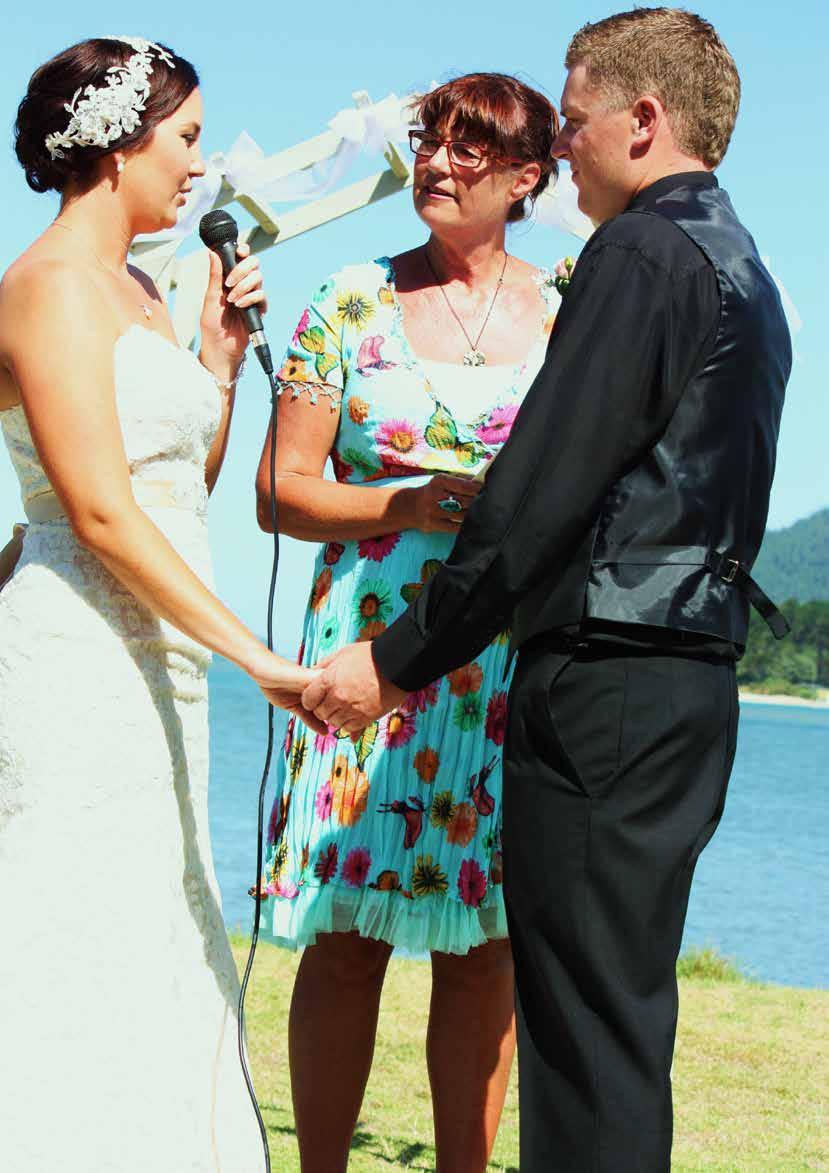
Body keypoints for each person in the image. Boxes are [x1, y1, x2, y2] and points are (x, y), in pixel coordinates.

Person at [295, 9, 792, 1171]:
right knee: (613, 1022)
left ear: (643, 119)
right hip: (687, 677)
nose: (563, 146)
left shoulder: (640, 253)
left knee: (579, 1033)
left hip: (607, 681)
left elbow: (537, 491)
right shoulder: (743, 266)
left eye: (573, 121)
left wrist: (397, 658)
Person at [0, 36, 318, 1171]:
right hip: (77, 649)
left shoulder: (141, 289)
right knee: (73, 908)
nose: (198, 166)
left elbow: (180, 489)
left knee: (158, 908)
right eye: (185, 139)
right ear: (117, 143)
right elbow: (98, 510)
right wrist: (259, 659)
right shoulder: (44, 288)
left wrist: (220, 364)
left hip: (161, 655)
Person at [254, 73, 561, 1173]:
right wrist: (407, 504)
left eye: (469, 150)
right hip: (365, 655)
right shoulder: (346, 299)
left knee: (486, 948)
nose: (437, 162)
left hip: (507, 661)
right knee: (344, 938)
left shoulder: (573, 306)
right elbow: (278, 494)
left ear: (526, 177)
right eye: (431, 141)